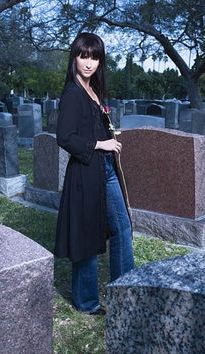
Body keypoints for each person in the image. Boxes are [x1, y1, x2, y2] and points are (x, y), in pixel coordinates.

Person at [55, 32, 135, 315]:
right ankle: (96, 301)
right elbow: (64, 136)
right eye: (83, 55)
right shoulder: (73, 93)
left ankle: (122, 293)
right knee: (92, 236)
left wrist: (110, 136)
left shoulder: (94, 90)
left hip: (105, 169)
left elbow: (91, 126)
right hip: (86, 172)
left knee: (115, 229)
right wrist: (100, 143)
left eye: (94, 57)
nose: (88, 63)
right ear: (74, 57)